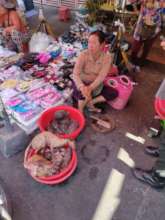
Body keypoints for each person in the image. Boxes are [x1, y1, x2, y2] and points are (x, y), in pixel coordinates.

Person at [72, 30, 118, 113]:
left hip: (95, 84)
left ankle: (90, 103)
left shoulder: (107, 58)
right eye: (89, 42)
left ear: (102, 45)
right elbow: (75, 74)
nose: (90, 46)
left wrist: (90, 88)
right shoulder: (83, 55)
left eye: (94, 43)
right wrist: (82, 87)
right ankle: (80, 111)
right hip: (82, 82)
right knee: (82, 94)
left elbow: (101, 76)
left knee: (113, 93)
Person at [131, 0, 162, 66]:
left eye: (152, 2)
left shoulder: (158, 9)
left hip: (151, 33)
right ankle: (133, 60)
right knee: (135, 47)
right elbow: (132, 2)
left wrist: (154, 30)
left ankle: (141, 62)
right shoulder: (143, 8)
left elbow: (159, 24)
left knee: (146, 49)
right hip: (140, 32)